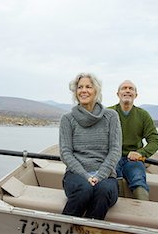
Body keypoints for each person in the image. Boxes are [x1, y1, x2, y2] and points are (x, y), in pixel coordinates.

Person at [59, 73, 122, 220]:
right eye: (80, 87)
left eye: (88, 86)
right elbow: (65, 153)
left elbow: (115, 150)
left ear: (96, 91)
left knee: (103, 190)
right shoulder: (67, 119)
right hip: (76, 175)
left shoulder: (111, 116)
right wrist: (86, 176)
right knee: (84, 189)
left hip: (106, 176)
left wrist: (99, 176)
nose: (83, 90)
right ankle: (62, 227)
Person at [109, 80, 158, 201]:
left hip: (133, 159)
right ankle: (117, 210)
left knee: (138, 179)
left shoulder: (143, 115)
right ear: (118, 94)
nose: (127, 90)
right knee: (113, 177)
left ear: (136, 95)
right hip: (111, 158)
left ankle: (142, 212)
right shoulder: (108, 113)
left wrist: (141, 153)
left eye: (131, 89)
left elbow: (155, 141)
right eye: (124, 88)